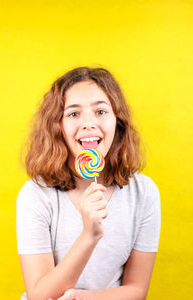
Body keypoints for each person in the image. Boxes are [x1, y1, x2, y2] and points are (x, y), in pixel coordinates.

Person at [16, 66, 161, 300]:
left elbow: (137, 290)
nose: (88, 123)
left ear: (118, 122)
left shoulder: (143, 193)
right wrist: (89, 235)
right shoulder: (35, 195)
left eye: (101, 111)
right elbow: (39, 296)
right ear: (57, 127)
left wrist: (82, 298)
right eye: (74, 114)